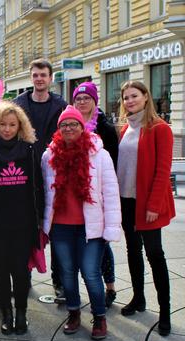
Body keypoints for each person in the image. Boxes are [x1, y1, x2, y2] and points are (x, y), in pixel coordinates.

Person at [42, 105, 121, 340]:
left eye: (73, 124)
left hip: (91, 228)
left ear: (82, 126)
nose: (68, 128)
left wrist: (111, 228)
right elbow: (46, 194)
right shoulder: (49, 155)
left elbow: (111, 192)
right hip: (61, 227)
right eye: (64, 125)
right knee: (67, 273)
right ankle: (74, 313)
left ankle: (99, 317)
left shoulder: (99, 153)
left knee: (90, 273)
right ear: (58, 129)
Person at [0, 101, 44, 335]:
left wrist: (40, 219)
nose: (7, 129)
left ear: (20, 126)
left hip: (23, 222)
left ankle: (21, 312)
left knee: (21, 271)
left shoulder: (30, 151)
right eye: (2, 124)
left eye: (12, 124)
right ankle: (7, 312)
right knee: (0, 270)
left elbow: (38, 187)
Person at [117, 81, 175, 337]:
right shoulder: (125, 129)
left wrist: (153, 205)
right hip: (127, 201)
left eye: (134, 96)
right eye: (126, 97)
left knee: (155, 255)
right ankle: (138, 298)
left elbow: (163, 171)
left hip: (148, 203)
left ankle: (165, 312)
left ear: (145, 97)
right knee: (133, 251)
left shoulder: (160, 129)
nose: (130, 101)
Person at [14, 59, 67, 299]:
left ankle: (59, 281)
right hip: (25, 174)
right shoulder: (19, 104)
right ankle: (24, 278)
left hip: (54, 174)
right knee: (26, 229)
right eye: (35, 75)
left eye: (43, 75)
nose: (39, 79)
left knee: (57, 231)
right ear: (31, 77)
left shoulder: (61, 105)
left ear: (50, 78)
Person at [72, 82, 119, 308]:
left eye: (86, 98)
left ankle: (109, 287)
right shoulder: (69, 124)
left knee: (102, 245)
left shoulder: (105, 128)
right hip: (75, 199)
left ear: (94, 101)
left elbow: (112, 167)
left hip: (96, 196)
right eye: (78, 99)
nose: (82, 102)